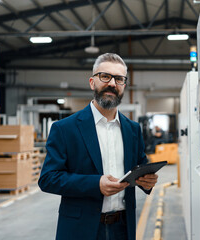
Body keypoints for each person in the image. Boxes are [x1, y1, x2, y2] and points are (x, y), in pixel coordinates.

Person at [38, 53, 158, 240]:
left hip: (123, 228)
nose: (112, 83)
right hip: (81, 230)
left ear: (124, 86)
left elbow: (140, 167)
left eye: (119, 79)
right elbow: (48, 179)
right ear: (92, 82)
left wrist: (147, 182)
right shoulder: (65, 128)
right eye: (105, 76)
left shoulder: (132, 130)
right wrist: (95, 184)